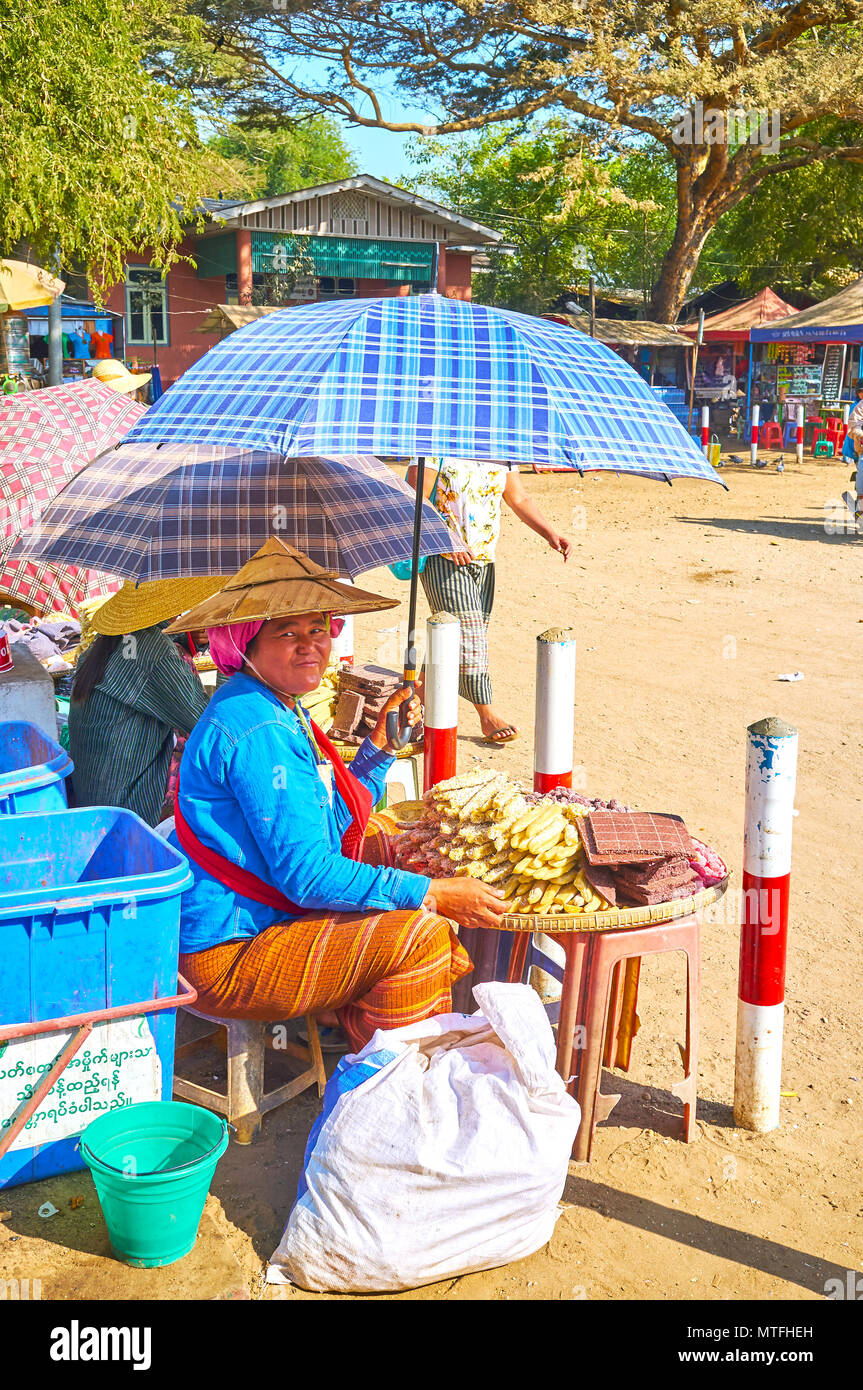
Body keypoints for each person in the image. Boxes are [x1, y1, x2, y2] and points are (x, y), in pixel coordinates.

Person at [166, 538, 506, 1051]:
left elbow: (327, 828)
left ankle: (352, 1012)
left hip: (261, 916)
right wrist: (431, 895)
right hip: (229, 955)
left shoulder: (273, 704)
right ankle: (384, 1080)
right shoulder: (260, 728)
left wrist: (379, 750)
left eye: (318, 629)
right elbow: (308, 876)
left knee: (397, 846)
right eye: (287, 633)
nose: (310, 645)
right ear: (246, 643)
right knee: (423, 936)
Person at [410, 457, 572, 744]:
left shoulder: (499, 448)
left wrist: (550, 533)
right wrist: (446, 537)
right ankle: (487, 715)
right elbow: (412, 495)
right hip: (443, 555)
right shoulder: (435, 442)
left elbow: (518, 498)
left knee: (453, 639)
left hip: (485, 560)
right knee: (469, 638)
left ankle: (412, 705)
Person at [68, 578, 224, 825]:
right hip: (126, 810)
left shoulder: (111, 638)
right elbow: (207, 724)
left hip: (94, 794)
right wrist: (230, 658)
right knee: (215, 760)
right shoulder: (153, 648)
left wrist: (186, 637)